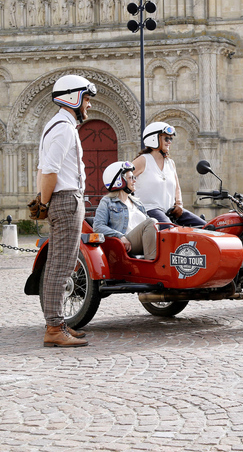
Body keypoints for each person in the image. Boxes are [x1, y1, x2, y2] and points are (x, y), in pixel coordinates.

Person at [36, 74, 97, 347]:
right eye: (86, 99)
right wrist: (45, 202)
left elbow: (44, 169)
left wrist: (44, 201)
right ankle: (54, 328)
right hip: (65, 200)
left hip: (63, 199)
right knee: (60, 267)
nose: (89, 106)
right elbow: (49, 170)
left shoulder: (59, 125)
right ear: (73, 97)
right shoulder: (62, 127)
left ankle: (57, 324)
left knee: (61, 265)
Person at [132, 121, 206, 227]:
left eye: (171, 138)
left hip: (170, 210)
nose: (169, 141)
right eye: (166, 138)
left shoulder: (170, 163)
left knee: (206, 227)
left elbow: (177, 188)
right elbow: (124, 179)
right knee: (169, 229)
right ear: (153, 138)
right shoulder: (143, 160)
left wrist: (179, 204)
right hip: (149, 210)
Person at [93, 161, 158, 260]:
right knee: (152, 222)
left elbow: (153, 228)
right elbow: (98, 227)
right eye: (130, 178)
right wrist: (120, 236)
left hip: (144, 242)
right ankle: (152, 265)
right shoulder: (107, 202)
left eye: (134, 177)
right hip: (125, 244)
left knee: (167, 232)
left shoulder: (138, 203)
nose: (134, 181)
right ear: (119, 181)